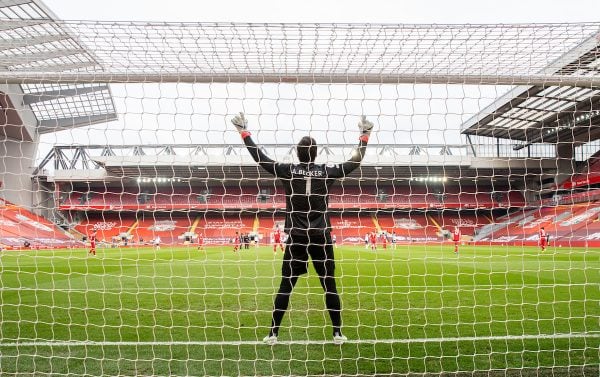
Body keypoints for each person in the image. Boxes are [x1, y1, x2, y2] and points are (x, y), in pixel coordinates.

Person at [231, 112, 373, 345]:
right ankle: (337, 333)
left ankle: (273, 334)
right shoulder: (327, 171)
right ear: (316, 154)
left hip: (297, 237)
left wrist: (244, 132)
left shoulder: (288, 170)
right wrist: (364, 136)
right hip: (321, 237)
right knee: (330, 285)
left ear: (297, 153)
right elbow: (354, 162)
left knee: (286, 284)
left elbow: (261, 158)